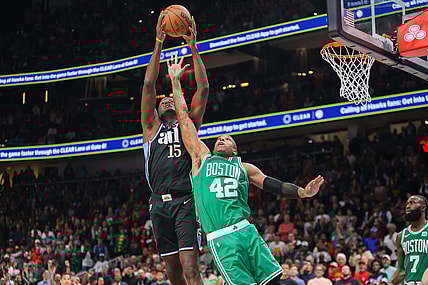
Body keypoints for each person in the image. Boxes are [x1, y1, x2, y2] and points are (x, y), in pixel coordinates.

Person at [166, 55, 324, 285]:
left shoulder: (244, 167)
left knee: (274, 281)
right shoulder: (201, 158)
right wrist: (175, 82)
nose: (221, 139)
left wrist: (302, 192)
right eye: (219, 138)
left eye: (227, 139)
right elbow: (184, 120)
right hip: (221, 237)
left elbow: (272, 184)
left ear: (235, 149)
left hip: (247, 231)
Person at [141, 11, 209, 285]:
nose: (168, 100)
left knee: (191, 269)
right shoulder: (150, 128)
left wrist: (193, 46)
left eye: (171, 98)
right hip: (158, 204)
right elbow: (148, 83)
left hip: (185, 202)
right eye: (163, 100)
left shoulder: (188, 125)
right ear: (155, 110)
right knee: (172, 274)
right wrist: (158, 41)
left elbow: (203, 88)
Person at [391, 195, 428, 285]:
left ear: (423, 208)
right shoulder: (401, 236)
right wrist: (392, 282)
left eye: (413, 203)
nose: (407, 206)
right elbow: (401, 269)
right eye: (407, 203)